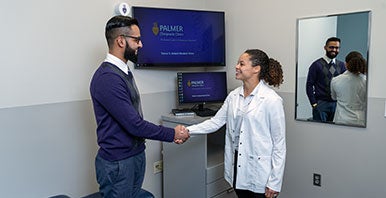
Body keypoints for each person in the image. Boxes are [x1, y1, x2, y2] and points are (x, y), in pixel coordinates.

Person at [89, 15, 189, 198]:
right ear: (120, 41)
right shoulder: (107, 78)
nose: (140, 45)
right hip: (119, 163)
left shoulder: (123, 72)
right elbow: (134, 124)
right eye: (136, 40)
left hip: (134, 156)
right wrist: (172, 133)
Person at [186, 49, 286, 198]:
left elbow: (279, 144)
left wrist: (275, 181)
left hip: (260, 171)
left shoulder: (272, 100)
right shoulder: (233, 96)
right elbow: (215, 122)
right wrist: (188, 130)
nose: (236, 66)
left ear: (256, 69)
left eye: (241, 63)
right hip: (238, 164)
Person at [306, 37, 346, 122]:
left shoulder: (342, 66)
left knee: (335, 132)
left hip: (337, 105)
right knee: (319, 132)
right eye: (331, 47)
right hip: (321, 104)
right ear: (325, 47)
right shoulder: (316, 65)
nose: (334, 50)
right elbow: (309, 85)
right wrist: (314, 103)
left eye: (337, 48)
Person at [331, 51, 367, 126]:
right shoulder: (366, 81)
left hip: (341, 120)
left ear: (346, 64)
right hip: (360, 120)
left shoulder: (336, 80)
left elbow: (334, 98)